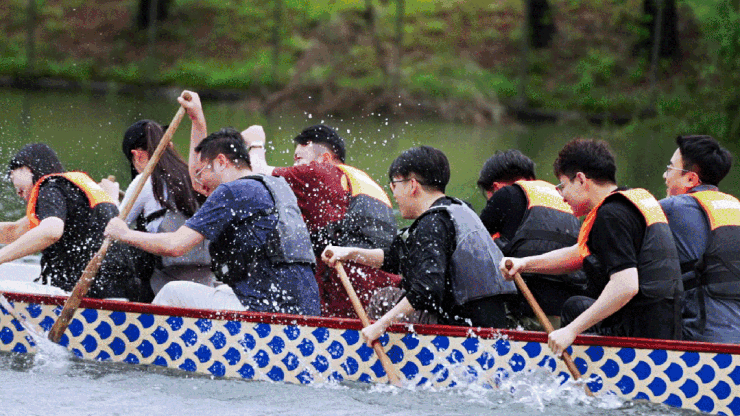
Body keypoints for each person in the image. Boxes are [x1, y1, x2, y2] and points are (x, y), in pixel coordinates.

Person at [105, 126, 321, 316]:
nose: (199, 183)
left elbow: (176, 246)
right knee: (224, 289)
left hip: (267, 313)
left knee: (172, 291)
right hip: (306, 310)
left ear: (221, 162)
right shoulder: (279, 186)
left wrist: (125, 233)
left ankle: (144, 347)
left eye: (200, 172)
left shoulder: (231, 191)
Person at [500, 138, 683, 357]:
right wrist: (524, 264)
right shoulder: (629, 202)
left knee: (574, 307)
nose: (562, 196)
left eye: (562, 186)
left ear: (580, 180)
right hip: (667, 329)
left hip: (641, 342)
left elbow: (626, 286)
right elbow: (579, 254)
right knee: (580, 304)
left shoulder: (611, 215)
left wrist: (570, 331)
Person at [322, 146, 518, 343]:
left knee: (385, 298)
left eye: (395, 185)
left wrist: (379, 326)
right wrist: (347, 253)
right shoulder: (459, 211)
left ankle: (377, 351)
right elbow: (394, 258)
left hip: (463, 335)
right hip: (495, 329)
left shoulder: (432, 223)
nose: (394, 194)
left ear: (412, 185)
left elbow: (427, 290)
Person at [237, 122, 400, 318]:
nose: (295, 168)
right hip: (382, 299)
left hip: (347, 300)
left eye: (299, 159)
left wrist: (255, 142)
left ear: (325, 159)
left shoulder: (319, 173)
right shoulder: (363, 182)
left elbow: (257, 173)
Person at [0, 143, 142, 299]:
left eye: (13, 172)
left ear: (28, 168)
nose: (19, 194)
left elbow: (51, 231)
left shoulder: (50, 187)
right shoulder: (72, 191)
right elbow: (14, 231)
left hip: (89, 295)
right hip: (120, 292)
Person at [100, 120, 214, 298]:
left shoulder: (145, 180)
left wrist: (109, 199)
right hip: (206, 283)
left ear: (137, 156)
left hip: (163, 287)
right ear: (170, 145)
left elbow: (114, 229)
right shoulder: (194, 178)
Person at [478, 150, 586, 328]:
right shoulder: (566, 198)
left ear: (496, 187)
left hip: (527, 313)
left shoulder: (505, 195)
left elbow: (473, 243)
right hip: (571, 317)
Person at [659, 135, 740, 343]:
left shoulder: (671, 208)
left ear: (690, 179)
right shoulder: (736, 207)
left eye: (670, 168)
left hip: (700, 341)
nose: (665, 176)